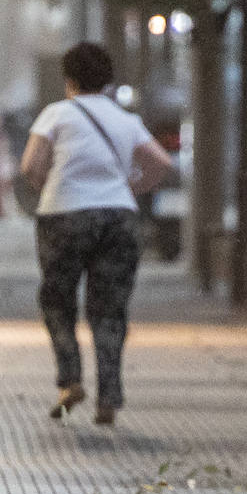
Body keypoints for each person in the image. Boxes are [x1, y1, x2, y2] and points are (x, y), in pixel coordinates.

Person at [20, 42, 171, 425]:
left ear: (68, 79)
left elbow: (30, 165)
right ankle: (110, 396)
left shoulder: (57, 113)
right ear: (107, 81)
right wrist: (131, 188)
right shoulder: (126, 120)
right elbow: (160, 162)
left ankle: (70, 379)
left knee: (58, 300)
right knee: (110, 310)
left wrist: (50, 187)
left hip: (63, 215)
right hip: (118, 217)